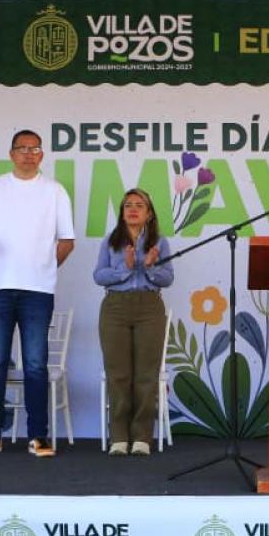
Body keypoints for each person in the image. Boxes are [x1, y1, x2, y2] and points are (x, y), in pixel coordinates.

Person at [0, 130, 75, 457]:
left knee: (35, 364)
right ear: (11, 154)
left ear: (42, 155)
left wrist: (45, 266)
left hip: (38, 291)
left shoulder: (55, 192)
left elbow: (67, 240)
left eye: (34, 149)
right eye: (21, 149)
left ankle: (38, 437)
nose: (27, 154)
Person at [93, 189, 174, 456]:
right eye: (128, 205)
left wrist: (150, 266)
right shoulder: (111, 241)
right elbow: (99, 276)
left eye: (140, 205)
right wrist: (126, 268)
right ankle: (118, 437)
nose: (133, 209)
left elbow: (167, 278)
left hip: (149, 307)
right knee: (118, 374)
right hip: (115, 307)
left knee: (146, 375)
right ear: (122, 211)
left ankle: (141, 438)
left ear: (149, 213)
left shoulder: (159, 243)